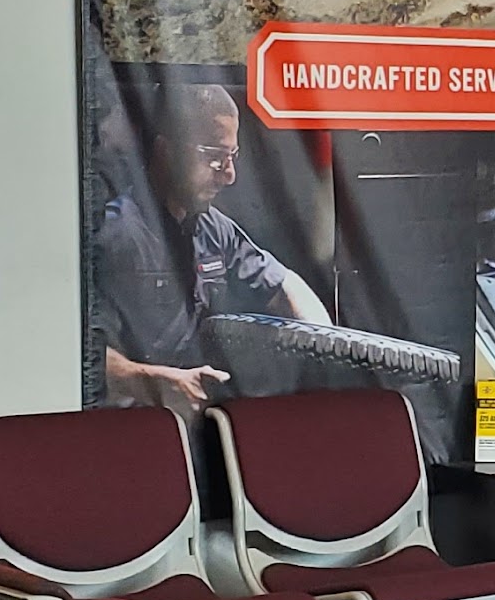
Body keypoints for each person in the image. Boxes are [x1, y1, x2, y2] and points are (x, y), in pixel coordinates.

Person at [97, 83, 331, 409]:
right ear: (167, 150)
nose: (229, 175)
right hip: (131, 422)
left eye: (232, 157)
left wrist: (329, 347)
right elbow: (81, 352)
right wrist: (149, 380)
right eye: (215, 158)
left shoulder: (214, 229)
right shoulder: (116, 236)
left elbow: (283, 284)